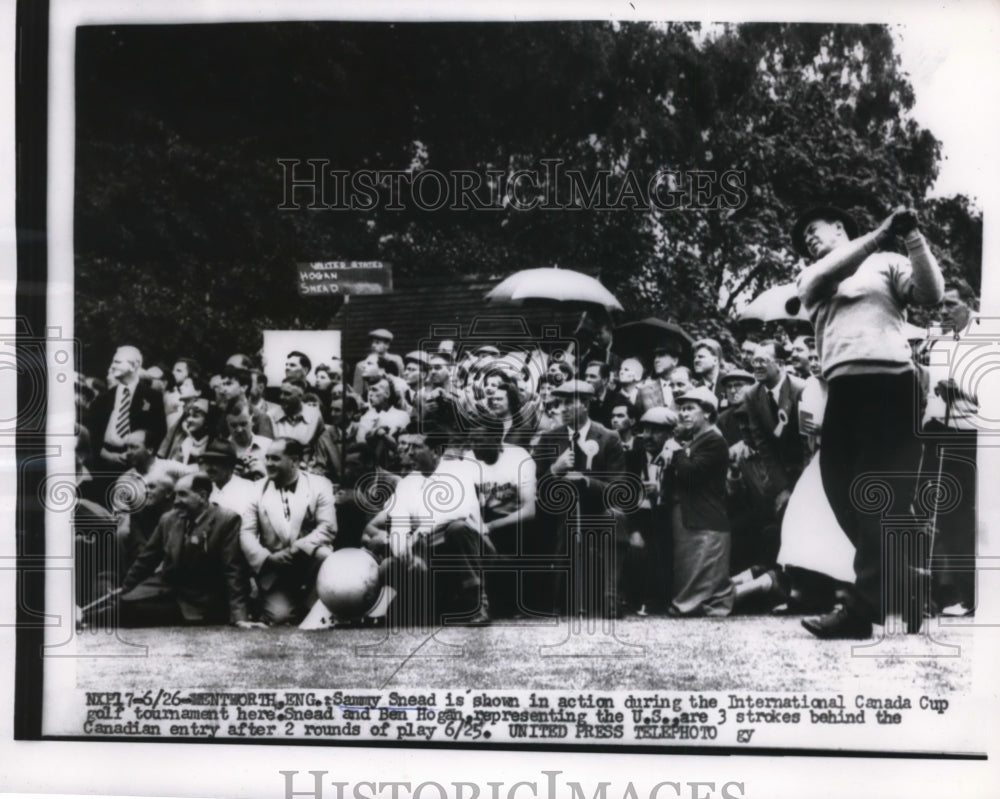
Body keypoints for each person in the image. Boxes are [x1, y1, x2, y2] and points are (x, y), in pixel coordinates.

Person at [793, 205, 944, 638]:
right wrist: (881, 233)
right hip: (842, 389)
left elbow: (930, 295)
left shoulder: (887, 263)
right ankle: (908, 583)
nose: (808, 237)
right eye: (804, 236)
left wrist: (911, 237)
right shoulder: (813, 273)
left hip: (890, 383)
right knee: (840, 488)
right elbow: (822, 281)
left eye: (814, 227)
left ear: (840, 227)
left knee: (873, 493)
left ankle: (860, 610)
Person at [362, 422, 493, 625]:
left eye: (416, 447)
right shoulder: (407, 484)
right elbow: (399, 526)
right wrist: (405, 552)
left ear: (435, 451)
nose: (409, 453)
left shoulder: (460, 470)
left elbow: (460, 512)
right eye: (408, 447)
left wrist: (418, 536)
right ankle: (438, 605)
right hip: (430, 552)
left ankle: (478, 604)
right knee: (389, 567)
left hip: (474, 548)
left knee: (457, 529)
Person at [533, 380, 627, 617]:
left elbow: (617, 489)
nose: (562, 409)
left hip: (597, 508)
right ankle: (562, 600)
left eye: (568, 403)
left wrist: (586, 481)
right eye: (559, 403)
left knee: (615, 517)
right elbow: (537, 487)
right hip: (559, 513)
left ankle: (610, 598)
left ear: (585, 404)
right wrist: (555, 469)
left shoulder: (608, 437)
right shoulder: (549, 439)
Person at [116, 473, 258, 628]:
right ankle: (93, 613)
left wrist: (239, 617)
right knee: (121, 603)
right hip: (168, 591)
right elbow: (145, 561)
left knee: (131, 611)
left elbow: (233, 570)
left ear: (203, 496)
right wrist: (125, 590)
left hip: (201, 602)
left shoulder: (226, 520)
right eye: (175, 494)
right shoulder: (169, 519)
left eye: (183, 495)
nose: (176, 501)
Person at [920, 277, 980, 615]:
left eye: (951, 305)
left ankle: (971, 597)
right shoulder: (940, 343)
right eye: (940, 305)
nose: (943, 311)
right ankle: (940, 593)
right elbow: (933, 395)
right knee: (938, 510)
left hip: (974, 436)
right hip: (941, 430)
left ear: (970, 303)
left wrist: (963, 391)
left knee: (966, 515)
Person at [240, 438, 337, 624]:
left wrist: (298, 547)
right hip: (276, 569)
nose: (268, 463)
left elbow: (328, 527)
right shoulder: (256, 489)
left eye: (275, 459)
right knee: (281, 617)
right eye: (267, 458)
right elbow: (247, 532)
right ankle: (276, 604)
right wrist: (267, 558)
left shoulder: (320, 485)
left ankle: (314, 604)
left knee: (326, 555)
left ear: (294, 461)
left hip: (309, 562)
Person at [663, 386, 734, 617]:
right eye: (681, 409)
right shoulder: (695, 441)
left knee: (706, 584)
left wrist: (676, 452)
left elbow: (691, 473)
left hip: (706, 520)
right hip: (690, 518)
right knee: (691, 576)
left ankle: (764, 584)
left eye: (690, 408)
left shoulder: (714, 440)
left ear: (707, 412)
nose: (683, 413)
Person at [86, 346, 167, 482]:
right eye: (113, 362)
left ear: (134, 365)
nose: (112, 366)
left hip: (135, 467)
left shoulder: (152, 397)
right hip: (103, 463)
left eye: (117, 362)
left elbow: (159, 430)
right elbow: (92, 432)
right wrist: (104, 454)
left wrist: (140, 456)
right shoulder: (103, 399)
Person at [352, 329, 405, 395]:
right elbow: (357, 392)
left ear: (387, 345)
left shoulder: (396, 360)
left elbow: (403, 383)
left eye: (377, 342)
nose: (373, 345)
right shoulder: (361, 365)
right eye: (372, 342)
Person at [584, 361, 628, 429]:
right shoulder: (583, 399)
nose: (587, 380)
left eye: (592, 376)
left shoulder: (620, 401)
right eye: (586, 376)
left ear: (604, 380)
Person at [691, 338, 728, 404]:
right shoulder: (696, 389)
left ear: (715, 360)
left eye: (701, 357)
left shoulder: (728, 383)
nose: (695, 360)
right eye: (695, 357)